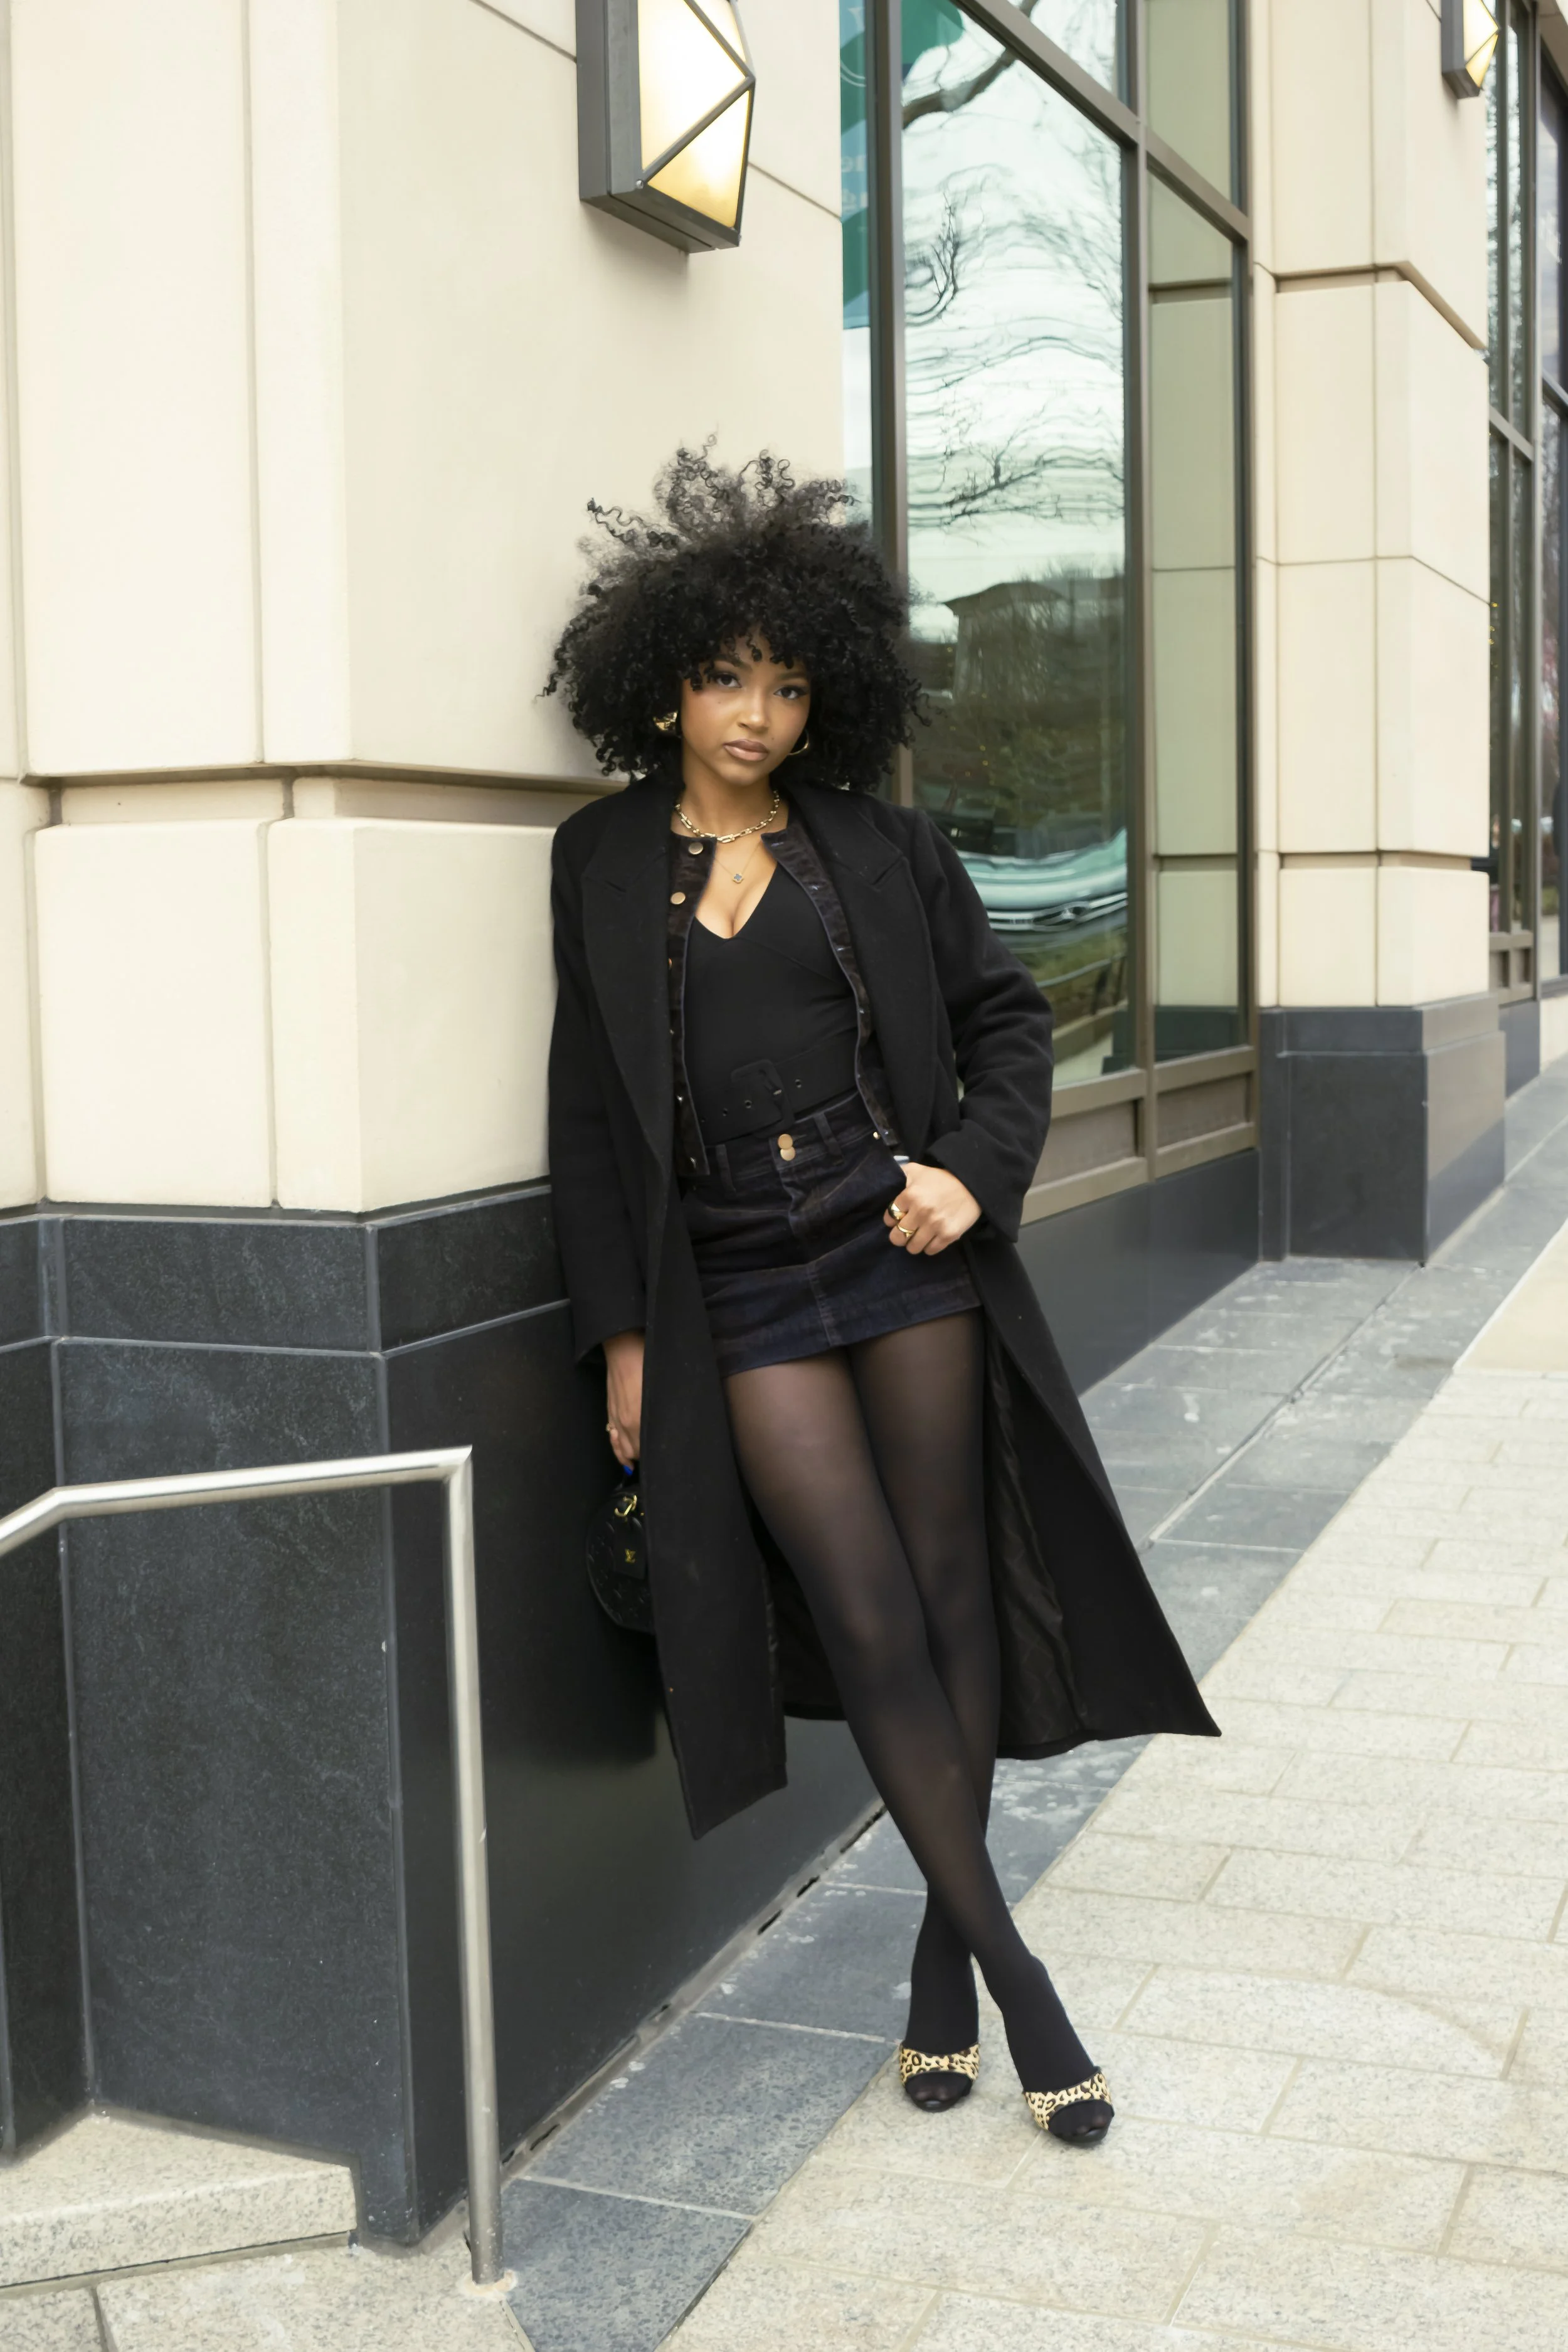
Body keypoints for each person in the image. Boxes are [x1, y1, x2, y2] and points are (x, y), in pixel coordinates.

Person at [545, 450, 1216, 2146]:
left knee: (949, 1594)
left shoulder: (881, 845)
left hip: (893, 1230)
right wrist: (623, 1330)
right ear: (662, 678)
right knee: (861, 1614)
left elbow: (1003, 1022)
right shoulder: (602, 858)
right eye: (722, 678)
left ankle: (941, 1960)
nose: (755, 715)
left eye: (784, 684)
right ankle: (1022, 1983)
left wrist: (969, 1169)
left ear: (821, 691)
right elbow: (588, 1106)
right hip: (735, 1276)